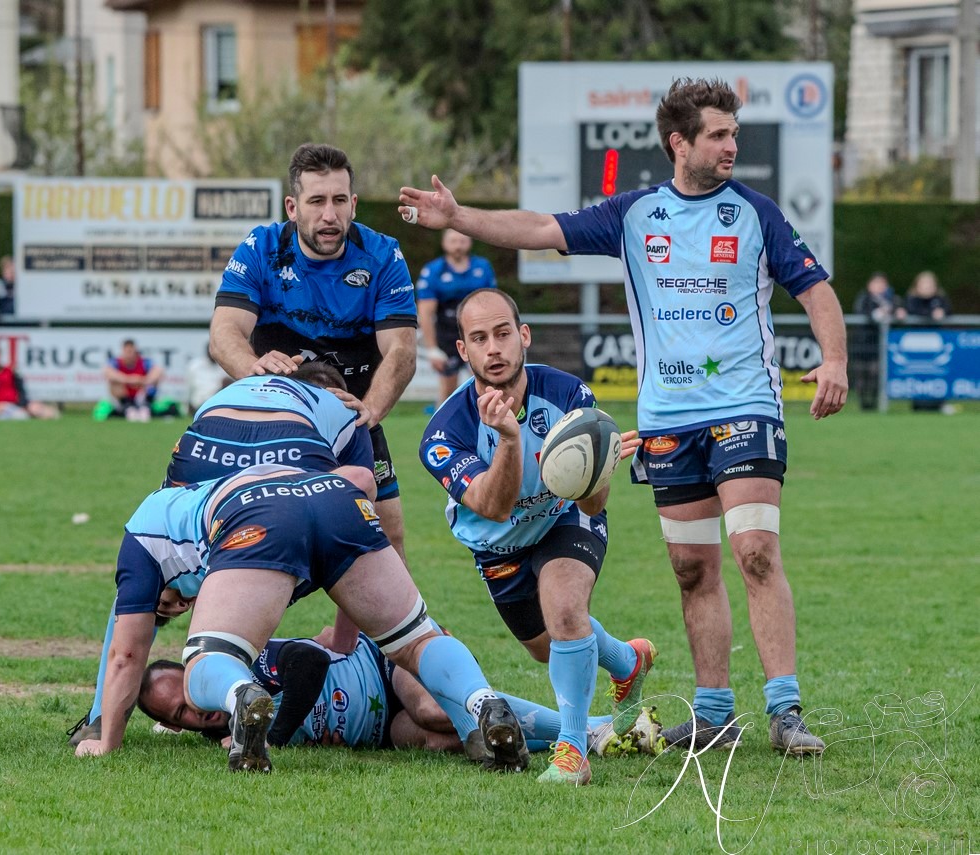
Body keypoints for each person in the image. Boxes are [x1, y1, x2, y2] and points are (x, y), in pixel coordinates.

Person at [400, 77, 848, 758]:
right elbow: (541, 228)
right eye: (719, 134)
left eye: (733, 132)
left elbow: (814, 287)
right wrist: (460, 218)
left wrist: (834, 360)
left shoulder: (754, 213)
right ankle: (714, 713)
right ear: (679, 143)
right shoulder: (635, 214)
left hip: (745, 405)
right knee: (691, 568)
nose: (732, 144)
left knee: (754, 549)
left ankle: (783, 709)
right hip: (668, 417)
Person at [73, 464, 532, 775]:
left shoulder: (141, 545)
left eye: (166, 605)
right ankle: (481, 702)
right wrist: (345, 630)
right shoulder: (205, 505)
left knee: (204, 662)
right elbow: (361, 479)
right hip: (332, 496)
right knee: (415, 640)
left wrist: (106, 740)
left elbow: (127, 652)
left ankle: (242, 696)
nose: (173, 608)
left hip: (257, 517)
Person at [419, 289, 651, 785]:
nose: (494, 348)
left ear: (524, 336)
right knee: (549, 647)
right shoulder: (444, 433)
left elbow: (592, 505)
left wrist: (595, 470)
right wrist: (508, 438)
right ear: (463, 352)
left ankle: (572, 752)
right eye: (479, 339)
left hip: (563, 519)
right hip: (497, 544)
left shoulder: (569, 396)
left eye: (503, 333)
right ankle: (628, 661)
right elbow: (494, 507)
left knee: (566, 612)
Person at [72, 362, 376, 740]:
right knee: (341, 531)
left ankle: (108, 717)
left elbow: (165, 527)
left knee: (151, 595)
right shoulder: (343, 420)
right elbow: (368, 529)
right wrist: (344, 641)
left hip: (213, 448)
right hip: (266, 487)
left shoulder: (167, 521)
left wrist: (101, 729)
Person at [209, 143, 418, 564]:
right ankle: (216, 623)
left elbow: (401, 350)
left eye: (340, 200)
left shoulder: (381, 254)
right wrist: (253, 367)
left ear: (354, 205)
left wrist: (370, 411)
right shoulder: (262, 247)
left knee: (387, 535)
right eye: (316, 201)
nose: (329, 215)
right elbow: (224, 332)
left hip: (352, 412)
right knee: (235, 526)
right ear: (292, 206)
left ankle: (370, 633)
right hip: (273, 417)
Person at [136, 634, 659, 757]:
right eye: (180, 716)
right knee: (441, 742)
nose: (195, 710)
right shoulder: (215, 732)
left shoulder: (243, 670)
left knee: (436, 710)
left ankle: (589, 729)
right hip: (381, 731)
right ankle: (589, 736)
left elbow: (311, 660)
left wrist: (270, 735)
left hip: (387, 666)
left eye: (185, 696)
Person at [416, 229, 497, 408]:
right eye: (453, 241)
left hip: (477, 333)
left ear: (469, 243)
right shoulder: (433, 270)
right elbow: (426, 312)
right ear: (445, 244)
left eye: (462, 241)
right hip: (448, 335)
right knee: (448, 389)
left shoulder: (482, 267)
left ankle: (485, 429)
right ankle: (441, 431)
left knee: (485, 385)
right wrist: (431, 349)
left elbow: (492, 303)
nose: (458, 245)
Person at [904, 271, 953, 413]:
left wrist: (942, 313)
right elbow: (911, 311)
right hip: (917, 347)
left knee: (938, 373)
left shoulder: (940, 299)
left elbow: (949, 311)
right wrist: (931, 315)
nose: (927, 287)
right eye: (924, 284)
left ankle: (940, 404)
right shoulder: (911, 299)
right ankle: (918, 404)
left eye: (930, 284)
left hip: (936, 346)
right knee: (918, 373)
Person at [851, 273, 901, 410]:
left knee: (875, 374)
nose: (879, 287)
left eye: (882, 284)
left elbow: (898, 311)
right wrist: (877, 314)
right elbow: (862, 313)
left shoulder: (892, 299)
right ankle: (863, 403)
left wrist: (897, 313)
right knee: (862, 374)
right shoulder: (864, 299)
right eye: (876, 283)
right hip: (862, 343)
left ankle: (874, 403)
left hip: (880, 345)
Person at [0, 345, 58, 420]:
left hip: (15, 404)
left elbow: (21, 390)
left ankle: (43, 412)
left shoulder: (10, 371)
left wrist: (22, 404)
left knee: (36, 408)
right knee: (20, 415)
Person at [102, 339, 165, 421]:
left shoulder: (144, 362)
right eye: (127, 351)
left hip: (140, 394)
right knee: (114, 382)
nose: (129, 354)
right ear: (123, 351)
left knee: (153, 382)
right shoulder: (116, 362)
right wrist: (129, 380)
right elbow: (108, 372)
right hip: (124, 396)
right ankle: (127, 407)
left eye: (131, 351)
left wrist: (143, 381)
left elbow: (158, 371)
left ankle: (145, 406)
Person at [185, 345, 231, 412]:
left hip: (218, 401)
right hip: (200, 403)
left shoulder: (226, 365)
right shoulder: (195, 366)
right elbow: (189, 388)